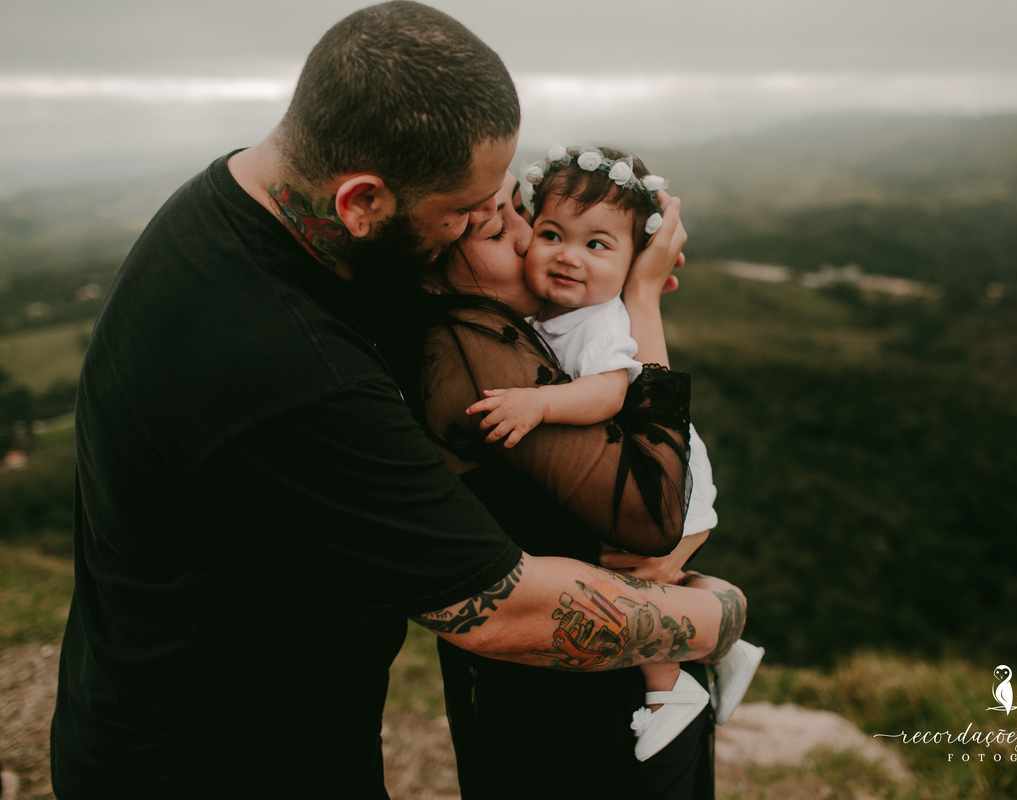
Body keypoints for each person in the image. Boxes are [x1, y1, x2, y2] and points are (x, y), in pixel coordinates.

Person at [49, 4, 745, 799]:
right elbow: (500, 610)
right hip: (212, 764)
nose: (497, 222)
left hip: (189, 718)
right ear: (362, 203)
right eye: (466, 213)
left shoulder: (251, 207)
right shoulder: (286, 364)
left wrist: (619, 295)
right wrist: (716, 614)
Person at [376, 165, 725, 797]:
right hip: (582, 704)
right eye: (492, 229)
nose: (523, 233)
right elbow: (653, 512)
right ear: (438, 264)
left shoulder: (508, 334)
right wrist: (640, 301)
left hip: (558, 680)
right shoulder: (476, 355)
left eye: (517, 210)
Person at [464, 145, 765, 761]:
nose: (567, 256)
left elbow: (610, 392)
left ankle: (669, 691)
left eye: (597, 246)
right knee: (655, 577)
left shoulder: (602, 322)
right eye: (550, 234)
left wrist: (538, 405)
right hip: (645, 471)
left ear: (632, 267)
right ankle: (729, 649)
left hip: (667, 482)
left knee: (631, 577)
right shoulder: (549, 314)